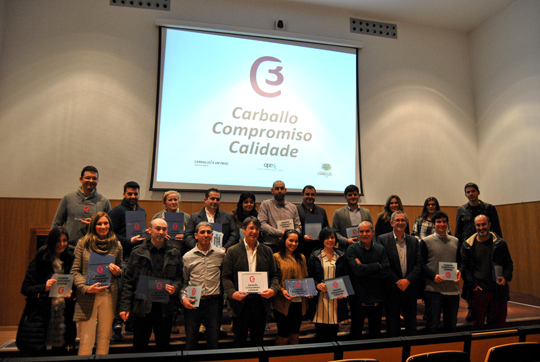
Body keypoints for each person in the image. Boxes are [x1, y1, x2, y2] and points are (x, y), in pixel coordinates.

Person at [119, 218, 183, 352]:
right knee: (140, 347)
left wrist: (175, 288)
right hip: (142, 307)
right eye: (157, 228)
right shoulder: (137, 252)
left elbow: (179, 277)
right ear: (149, 230)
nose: (161, 232)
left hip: (164, 308)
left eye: (164, 229)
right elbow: (128, 281)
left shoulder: (174, 252)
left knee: (163, 346)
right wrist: (125, 306)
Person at [221, 216, 279, 348]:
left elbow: (274, 276)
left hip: (260, 303)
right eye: (251, 228)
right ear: (244, 230)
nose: (254, 231)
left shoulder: (267, 251)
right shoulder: (233, 251)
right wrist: (232, 293)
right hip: (240, 304)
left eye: (257, 229)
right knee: (239, 341)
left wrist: (273, 290)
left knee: (258, 341)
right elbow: (226, 277)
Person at [18, 227, 76, 354]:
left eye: (64, 240)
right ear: (51, 241)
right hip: (41, 315)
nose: (62, 244)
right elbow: (25, 288)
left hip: (63, 315)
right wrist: (44, 287)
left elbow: (75, 286)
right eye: (58, 241)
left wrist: (72, 293)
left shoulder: (70, 259)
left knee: (60, 352)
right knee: (38, 352)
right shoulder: (40, 258)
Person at [71, 212, 123, 355]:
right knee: (86, 340)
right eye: (99, 223)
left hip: (108, 295)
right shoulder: (83, 243)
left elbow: (122, 269)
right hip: (88, 296)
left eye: (105, 223)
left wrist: (118, 271)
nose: (103, 226)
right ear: (93, 226)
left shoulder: (116, 245)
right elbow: (74, 271)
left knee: (104, 338)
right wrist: (87, 288)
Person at [455, 182, 503, 321]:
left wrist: (499, 247)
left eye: (473, 191)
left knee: (488, 278)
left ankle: (490, 310)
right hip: (468, 249)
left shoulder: (489, 208)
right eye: (468, 192)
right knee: (470, 279)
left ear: (478, 192)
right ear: (465, 195)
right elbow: (458, 231)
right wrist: (458, 251)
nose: (471, 194)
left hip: (487, 248)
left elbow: (497, 230)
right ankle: (472, 308)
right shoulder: (461, 210)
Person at [460, 215, 513, 330]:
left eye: (483, 224)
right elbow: (465, 267)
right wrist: (473, 285)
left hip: (498, 290)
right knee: (477, 326)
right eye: (478, 225)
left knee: (499, 326)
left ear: (489, 224)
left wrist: (506, 277)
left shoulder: (500, 243)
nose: (481, 227)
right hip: (479, 292)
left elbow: (509, 264)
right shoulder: (468, 245)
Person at [108, 181, 146, 339]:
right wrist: (128, 241)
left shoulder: (142, 211)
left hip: (137, 255)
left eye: (135, 194)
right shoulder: (116, 211)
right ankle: (117, 325)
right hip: (122, 254)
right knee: (122, 288)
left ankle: (131, 321)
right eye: (130, 194)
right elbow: (111, 233)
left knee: (137, 287)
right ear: (124, 194)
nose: (133, 196)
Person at [181, 222, 225, 350]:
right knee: (191, 341)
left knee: (213, 342)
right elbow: (184, 281)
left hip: (214, 302)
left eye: (208, 232)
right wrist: (183, 298)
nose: (206, 235)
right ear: (196, 235)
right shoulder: (187, 257)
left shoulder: (221, 255)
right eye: (202, 232)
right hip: (193, 300)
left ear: (212, 235)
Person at [378, 211, 422, 337]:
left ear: (407, 223)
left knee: (411, 322)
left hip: (410, 288)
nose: (400, 223)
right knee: (392, 323)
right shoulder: (382, 240)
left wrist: (407, 281)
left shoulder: (414, 241)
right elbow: (384, 264)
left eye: (403, 220)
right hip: (392, 288)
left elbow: (419, 264)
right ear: (392, 223)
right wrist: (398, 281)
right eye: (397, 220)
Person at [419, 211, 461, 334]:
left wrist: (460, 271)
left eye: (444, 221)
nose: (441, 224)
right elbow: (421, 264)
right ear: (433, 224)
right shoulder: (425, 241)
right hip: (433, 290)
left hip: (453, 290)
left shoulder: (455, 241)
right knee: (433, 327)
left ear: (447, 224)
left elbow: (461, 262)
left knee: (451, 327)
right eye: (438, 222)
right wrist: (433, 276)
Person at [346, 221, 388, 339]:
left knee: (375, 333)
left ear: (373, 232)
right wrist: (377, 265)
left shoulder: (381, 249)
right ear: (358, 233)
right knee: (356, 332)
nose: (364, 234)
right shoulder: (352, 249)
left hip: (377, 296)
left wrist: (363, 268)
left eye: (367, 231)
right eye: (361, 231)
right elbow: (356, 270)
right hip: (358, 298)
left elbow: (385, 271)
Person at [51, 166, 111, 247]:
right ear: (81, 179)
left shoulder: (104, 201)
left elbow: (110, 227)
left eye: (94, 178)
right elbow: (57, 223)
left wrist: (94, 224)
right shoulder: (68, 198)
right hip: (70, 248)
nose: (91, 181)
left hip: (95, 248)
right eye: (87, 178)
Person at [307, 227, 349, 343]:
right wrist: (316, 285)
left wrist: (344, 291)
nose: (330, 240)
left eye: (332, 238)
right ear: (322, 239)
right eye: (327, 238)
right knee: (320, 335)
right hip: (320, 300)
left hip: (336, 299)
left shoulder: (341, 255)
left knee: (333, 335)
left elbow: (346, 276)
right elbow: (309, 276)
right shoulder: (315, 256)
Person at [273, 229, 309, 345]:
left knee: (295, 334)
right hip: (282, 301)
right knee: (283, 334)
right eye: (290, 240)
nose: (293, 244)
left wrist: (308, 289)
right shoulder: (276, 257)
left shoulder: (301, 257)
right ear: (284, 241)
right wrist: (282, 290)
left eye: (296, 241)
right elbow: (273, 280)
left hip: (298, 302)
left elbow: (305, 276)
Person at [184, 188, 239, 254]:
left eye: (217, 199)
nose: (215, 201)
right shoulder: (194, 217)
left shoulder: (228, 217)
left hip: (222, 253)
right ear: (205, 200)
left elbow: (235, 234)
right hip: (199, 253)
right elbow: (188, 235)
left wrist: (225, 247)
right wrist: (198, 247)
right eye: (212, 199)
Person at [259, 180, 302, 254]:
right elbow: (261, 224)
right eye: (277, 188)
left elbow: (298, 227)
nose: (279, 191)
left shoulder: (293, 207)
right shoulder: (265, 205)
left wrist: (289, 235)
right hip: (271, 246)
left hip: (289, 247)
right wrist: (280, 233)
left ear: (285, 190)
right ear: (272, 190)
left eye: (282, 188)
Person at [332, 184, 373, 252]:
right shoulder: (338, 213)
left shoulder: (366, 212)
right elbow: (335, 232)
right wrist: (346, 241)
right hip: (345, 250)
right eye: (350, 195)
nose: (353, 197)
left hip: (365, 249)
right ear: (345, 197)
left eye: (355, 194)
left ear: (358, 196)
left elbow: (371, 231)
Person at [296, 185, 329, 259]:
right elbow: (293, 230)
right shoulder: (296, 210)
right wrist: (302, 237)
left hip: (319, 249)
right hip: (302, 249)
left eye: (312, 194)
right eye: (307, 194)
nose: (310, 196)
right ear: (302, 195)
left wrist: (322, 235)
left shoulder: (321, 211)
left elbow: (326, 228)